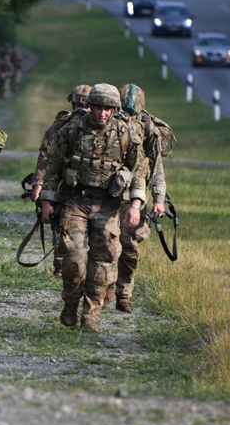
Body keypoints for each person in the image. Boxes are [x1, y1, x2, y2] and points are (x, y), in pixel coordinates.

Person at [40, 83, 145, 332]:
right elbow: (53, 166)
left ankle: (91, 315)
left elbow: (139, 170)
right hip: (75, 202)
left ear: (114, 109)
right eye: (98, 107)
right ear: (91, 106)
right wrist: (46, 199)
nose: (102, 113)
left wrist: (136, 205)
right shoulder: (72, 129)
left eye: (108, 109)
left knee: (102, 263)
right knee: (73, 260)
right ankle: (70, 304)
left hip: (108, 206)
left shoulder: (125, 132)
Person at [107, 83, 168, 313]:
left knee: (130, 245)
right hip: (109, 192)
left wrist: (159, 198)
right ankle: (106, 289)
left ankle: (124, 294)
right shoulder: (110, 122)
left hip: (136, 195)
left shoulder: (147, 129)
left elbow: (156, 167)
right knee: (105, 244)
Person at [30, 84, 91, 276]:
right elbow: (46, 155)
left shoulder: (102, 126)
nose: (82, 109)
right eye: (78, 104)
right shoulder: (61, 125)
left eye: (86, 105)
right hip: (61, 184)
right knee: (60, 225)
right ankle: (60, 264)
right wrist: (38, 184)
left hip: (88, 188)